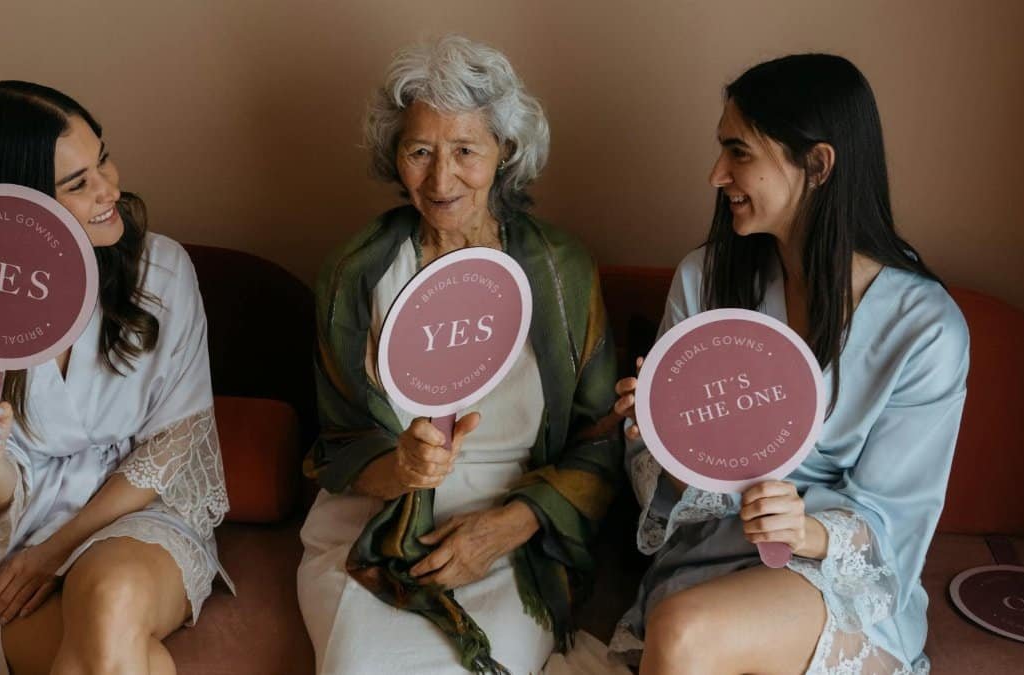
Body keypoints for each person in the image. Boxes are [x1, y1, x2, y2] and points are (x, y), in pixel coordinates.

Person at [609, 54, 969, 674]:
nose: (715, 173)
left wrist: (802, 528)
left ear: (818, 164)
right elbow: (653, 479)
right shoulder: (705, 280)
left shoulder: (925, 329)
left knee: (685, 631)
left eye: (738, 151)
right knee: (683, 622)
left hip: (831, 573)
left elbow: (898, 515)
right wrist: (661, 442)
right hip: (707, 554)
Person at [297, 35, 622, 674]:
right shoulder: (356, 272)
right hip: (377, 526)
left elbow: (602, 437)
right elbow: (341, 440)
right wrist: (402, 470)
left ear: (505, 154)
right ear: (395, 158)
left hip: (514, 525)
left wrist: (512, 524)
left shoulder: (561, 272)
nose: (441, 179)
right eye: (419, 151)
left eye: (466, 151)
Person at [0, 81, 232, 674]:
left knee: (110, 597)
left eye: (102, 158)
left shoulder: (163, 273)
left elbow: (173, 444)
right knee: (125, 656)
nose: (110, 189)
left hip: (136, 514)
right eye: (77, 185)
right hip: (8, 543)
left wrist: (56, 553)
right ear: (16, 208)